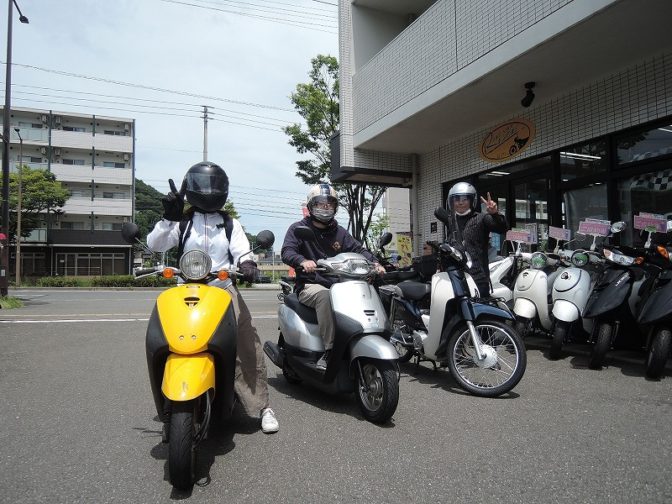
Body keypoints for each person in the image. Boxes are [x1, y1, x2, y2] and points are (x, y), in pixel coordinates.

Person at [146, 161, 279, 434]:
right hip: (186, 287)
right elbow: (154, 245)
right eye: (201, 185)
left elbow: (242, 252)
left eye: (213, 186)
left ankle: (262, 405)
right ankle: (172, 397)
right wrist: (168, 218)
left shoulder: (230, 224)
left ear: (223, 190)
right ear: (190, 187)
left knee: (246, 340)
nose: (207, 191)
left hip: (222, 288)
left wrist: (248, 264)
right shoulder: (181, 222)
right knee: (166, 337)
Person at [281, 183, 386, 370]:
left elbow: (358, 249)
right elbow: (287, 251)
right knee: (325, 296)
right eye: (321, 203)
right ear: (311, 206)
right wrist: (302, 261)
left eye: (330, 203)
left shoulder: (339, 232)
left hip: (338, 284)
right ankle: (330, 351)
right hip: (310, 284)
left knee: (364, 292)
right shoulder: (298, 228)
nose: (326, 207)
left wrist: (375, 263)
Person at [445, 181, 508, 297]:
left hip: (478, 277)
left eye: (464, 199)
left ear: (471, 201)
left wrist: (495, 214)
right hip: (456, 277)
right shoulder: (451, 222)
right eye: (457, 199)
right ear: (452, 202)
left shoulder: (481, 218)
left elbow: (501, 228)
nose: (460, 203)